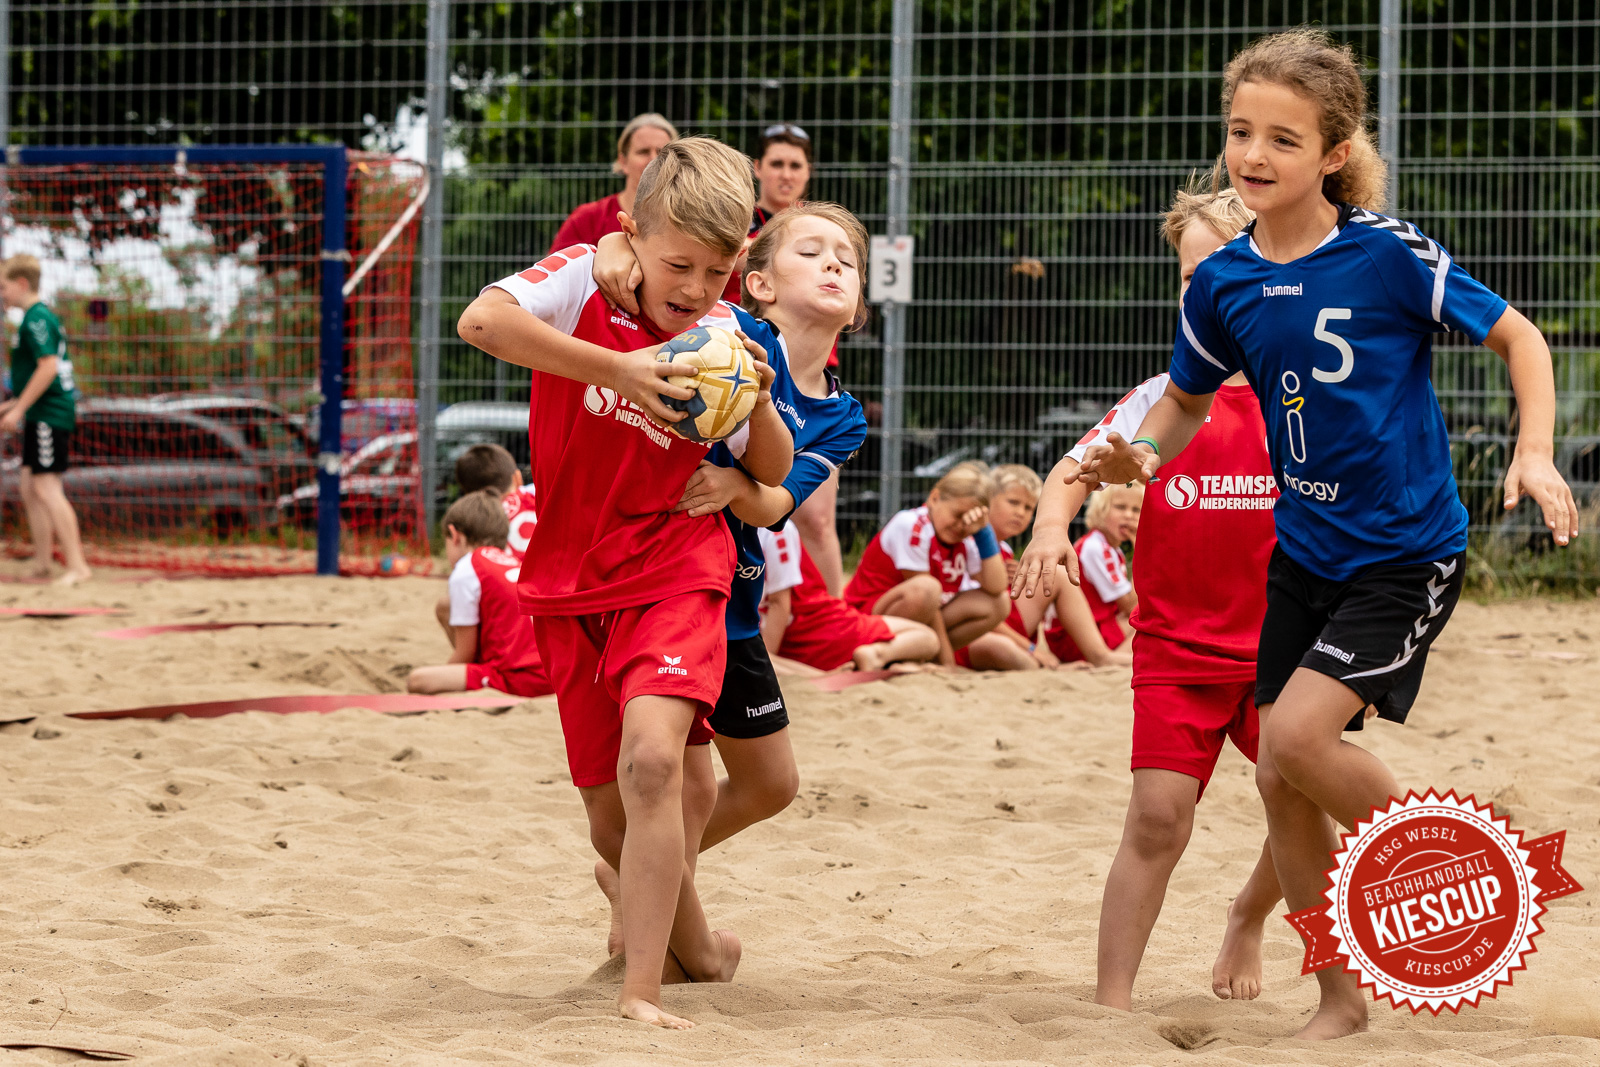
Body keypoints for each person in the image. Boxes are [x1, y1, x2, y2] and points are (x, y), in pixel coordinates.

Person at [1068, 31, 1578, 1040]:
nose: (1252, 155)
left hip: (1402, 552)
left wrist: (1534, 451)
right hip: (1304, 555)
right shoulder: (1225, 282)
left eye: (1281, 139)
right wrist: (1134, 455)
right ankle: (1340, 996)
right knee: (1275, 771)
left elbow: (1519, 335)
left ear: (1332, 153)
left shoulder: (1385, 252)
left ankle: (1450, 863)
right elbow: (1179, 401)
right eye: (1239, 133)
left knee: (1296, 737)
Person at [458, 136, 793, 1030]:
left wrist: (754, 397)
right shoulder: (580, 278)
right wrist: (620, 370)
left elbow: (778, 462)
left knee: (655, 763)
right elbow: (479, 324)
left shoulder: (723, 333)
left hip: (677, 565)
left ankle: (640, 990)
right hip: (569, 581)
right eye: (679, 263)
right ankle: (704, 952)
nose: (694, 287)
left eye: (717, 271)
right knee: (615, 826)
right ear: (632, 235)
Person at [1016, 183, 1284, 1012]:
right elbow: (1072, 471)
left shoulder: (1305, 394)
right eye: (1185, 272)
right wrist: (1050, 527)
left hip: (1287, 647)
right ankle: (1111, 1003)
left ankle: (1248, 913)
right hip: (1176, 647)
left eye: (1215, 265)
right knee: (1159, 818)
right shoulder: (1160, 402)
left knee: (1302, 801)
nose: (1196, 285)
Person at [591, 200, 870, 871]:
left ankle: (633, 867)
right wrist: (612, 246)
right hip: (662, 579)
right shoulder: (727, 327)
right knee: (675, 778)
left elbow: (777, 504)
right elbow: (652, 265)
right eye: (810, 250)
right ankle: (648, 890)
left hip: (737, 597)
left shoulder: (843, 415)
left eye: (849, 258)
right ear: (759, 281)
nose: (833, 261)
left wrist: (743, 490)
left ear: (859, 303)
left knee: (773, 782)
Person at [842, 461, 1009, 667]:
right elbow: (929, 605)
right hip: (868, 616)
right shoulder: (912, 525)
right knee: (928, 589)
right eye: (957, 515)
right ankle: (906, 654)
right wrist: (948, 664)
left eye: (968, 520)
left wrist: (984, 532)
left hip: (922, 618)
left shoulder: (969, 535)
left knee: (999, 602)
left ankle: (917, 655)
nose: (961, 526)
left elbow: (996, 586)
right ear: (934, 498)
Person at [408, 489, 552, 698]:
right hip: (549, 673)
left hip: (521, 678)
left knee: (418, 680)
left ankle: (477, 678)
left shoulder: (467, 568)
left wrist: (448, 676)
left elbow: (464, 654)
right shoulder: (509, 560)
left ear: (454, 535)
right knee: (445, 607)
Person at [0, 254, 89, 586]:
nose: (2, 295)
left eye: (3, 287)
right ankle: (41, 563)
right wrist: (11, 407)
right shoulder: (34, 318)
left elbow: (48, 367)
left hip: (49, 415)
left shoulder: (36, 318)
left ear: (22, 284)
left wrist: (19, 410)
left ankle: (78, 566)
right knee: (29, 487)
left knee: (47, 487)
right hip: (41, 411)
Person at [759, 520, 939, 672]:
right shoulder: (776, 529)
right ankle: (879, 655)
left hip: (797, 626)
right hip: (818, 626)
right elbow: (779, 603)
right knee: (928, 637)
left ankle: (891, 660)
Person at [434, 444, 539, 640]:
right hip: (551, 600)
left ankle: (478, 662)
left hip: (513, 611)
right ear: (517, 478)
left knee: (447, 606)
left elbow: (468, 574)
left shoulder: (481, 522)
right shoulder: (539, 496)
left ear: (471, 497)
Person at [1037, 484, 1142, 665]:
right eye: (1120, 507)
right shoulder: (1097, 548)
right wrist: (1141, 550)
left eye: (1136, 509)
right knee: (1145, 618)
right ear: (1100, 510)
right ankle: (1123, 659)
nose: (1128, 515)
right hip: (1076, 640)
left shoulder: (1108, 548)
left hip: (1078, 633)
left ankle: (1125, 657)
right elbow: (1129, 605)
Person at [550, 114, 678, 252]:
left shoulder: (687, 220)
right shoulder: (588, 219)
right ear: (623, 161)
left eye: (662, 153)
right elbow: (556, 271)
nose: (653, 160)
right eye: (643, 152)